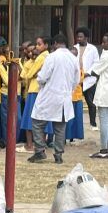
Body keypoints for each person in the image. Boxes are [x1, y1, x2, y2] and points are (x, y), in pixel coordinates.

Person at [28, 33, 80, 164]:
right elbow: (76, 80)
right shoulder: (73, 58)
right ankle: (58, 154)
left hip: (49, 95)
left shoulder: (52, 57)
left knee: (37, 122)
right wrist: (68, 90)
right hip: (64, 97)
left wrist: (41, 83)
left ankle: (39, 151)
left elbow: (42, 77)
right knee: (60, 127)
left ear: (55, 43)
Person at [74, 27, 99, 131]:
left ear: (86, 37)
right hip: (77, 79)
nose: (79, 39)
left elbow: (96, 63)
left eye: (81, 37)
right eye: (78, 37)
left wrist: (88, 73)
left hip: (89, 80)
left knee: (91, 103)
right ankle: (75, 124)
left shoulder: (92, 49)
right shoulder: (74, 47)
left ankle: (93, 124)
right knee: (75, 102)